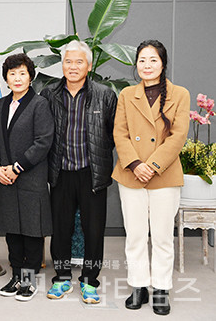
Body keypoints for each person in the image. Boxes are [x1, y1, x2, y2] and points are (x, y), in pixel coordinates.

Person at [112, 40, 190, 316]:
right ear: (136, 64)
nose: (147, 65)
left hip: (164, 175)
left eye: (153, 60)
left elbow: (178, 137)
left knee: (161, 236)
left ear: (163, 63)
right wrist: (135, 163)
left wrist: (152, 164)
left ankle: (161, 288)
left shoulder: (180, 94)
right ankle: (138, 285)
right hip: (131, 173)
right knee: (134, 235)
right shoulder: (126, 95)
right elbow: (119, 133)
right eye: (142, 60)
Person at [40, 40, 117, 304]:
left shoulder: (105, 95)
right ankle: (61, 278)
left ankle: (89, 281)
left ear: (89, 65)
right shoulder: (49, 94)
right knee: (60, 229)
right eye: (68, 61)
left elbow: (114, 134)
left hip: (92, 173)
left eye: (78, 61)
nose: (73, 67)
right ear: (62, 65)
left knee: (93, 230)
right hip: (60, 172)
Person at [0, 53, 54, 302]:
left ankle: (28, 281)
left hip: (30, 177)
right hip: (4, 177)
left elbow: (43, 141)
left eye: (22, 73)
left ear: (31, 77)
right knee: (12, 231)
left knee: (31, 231)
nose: (17, 78)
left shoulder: (39, 104)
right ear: (6, 78)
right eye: (12, 73)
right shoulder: (0, 104)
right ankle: (16, 275)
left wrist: (16, 168)